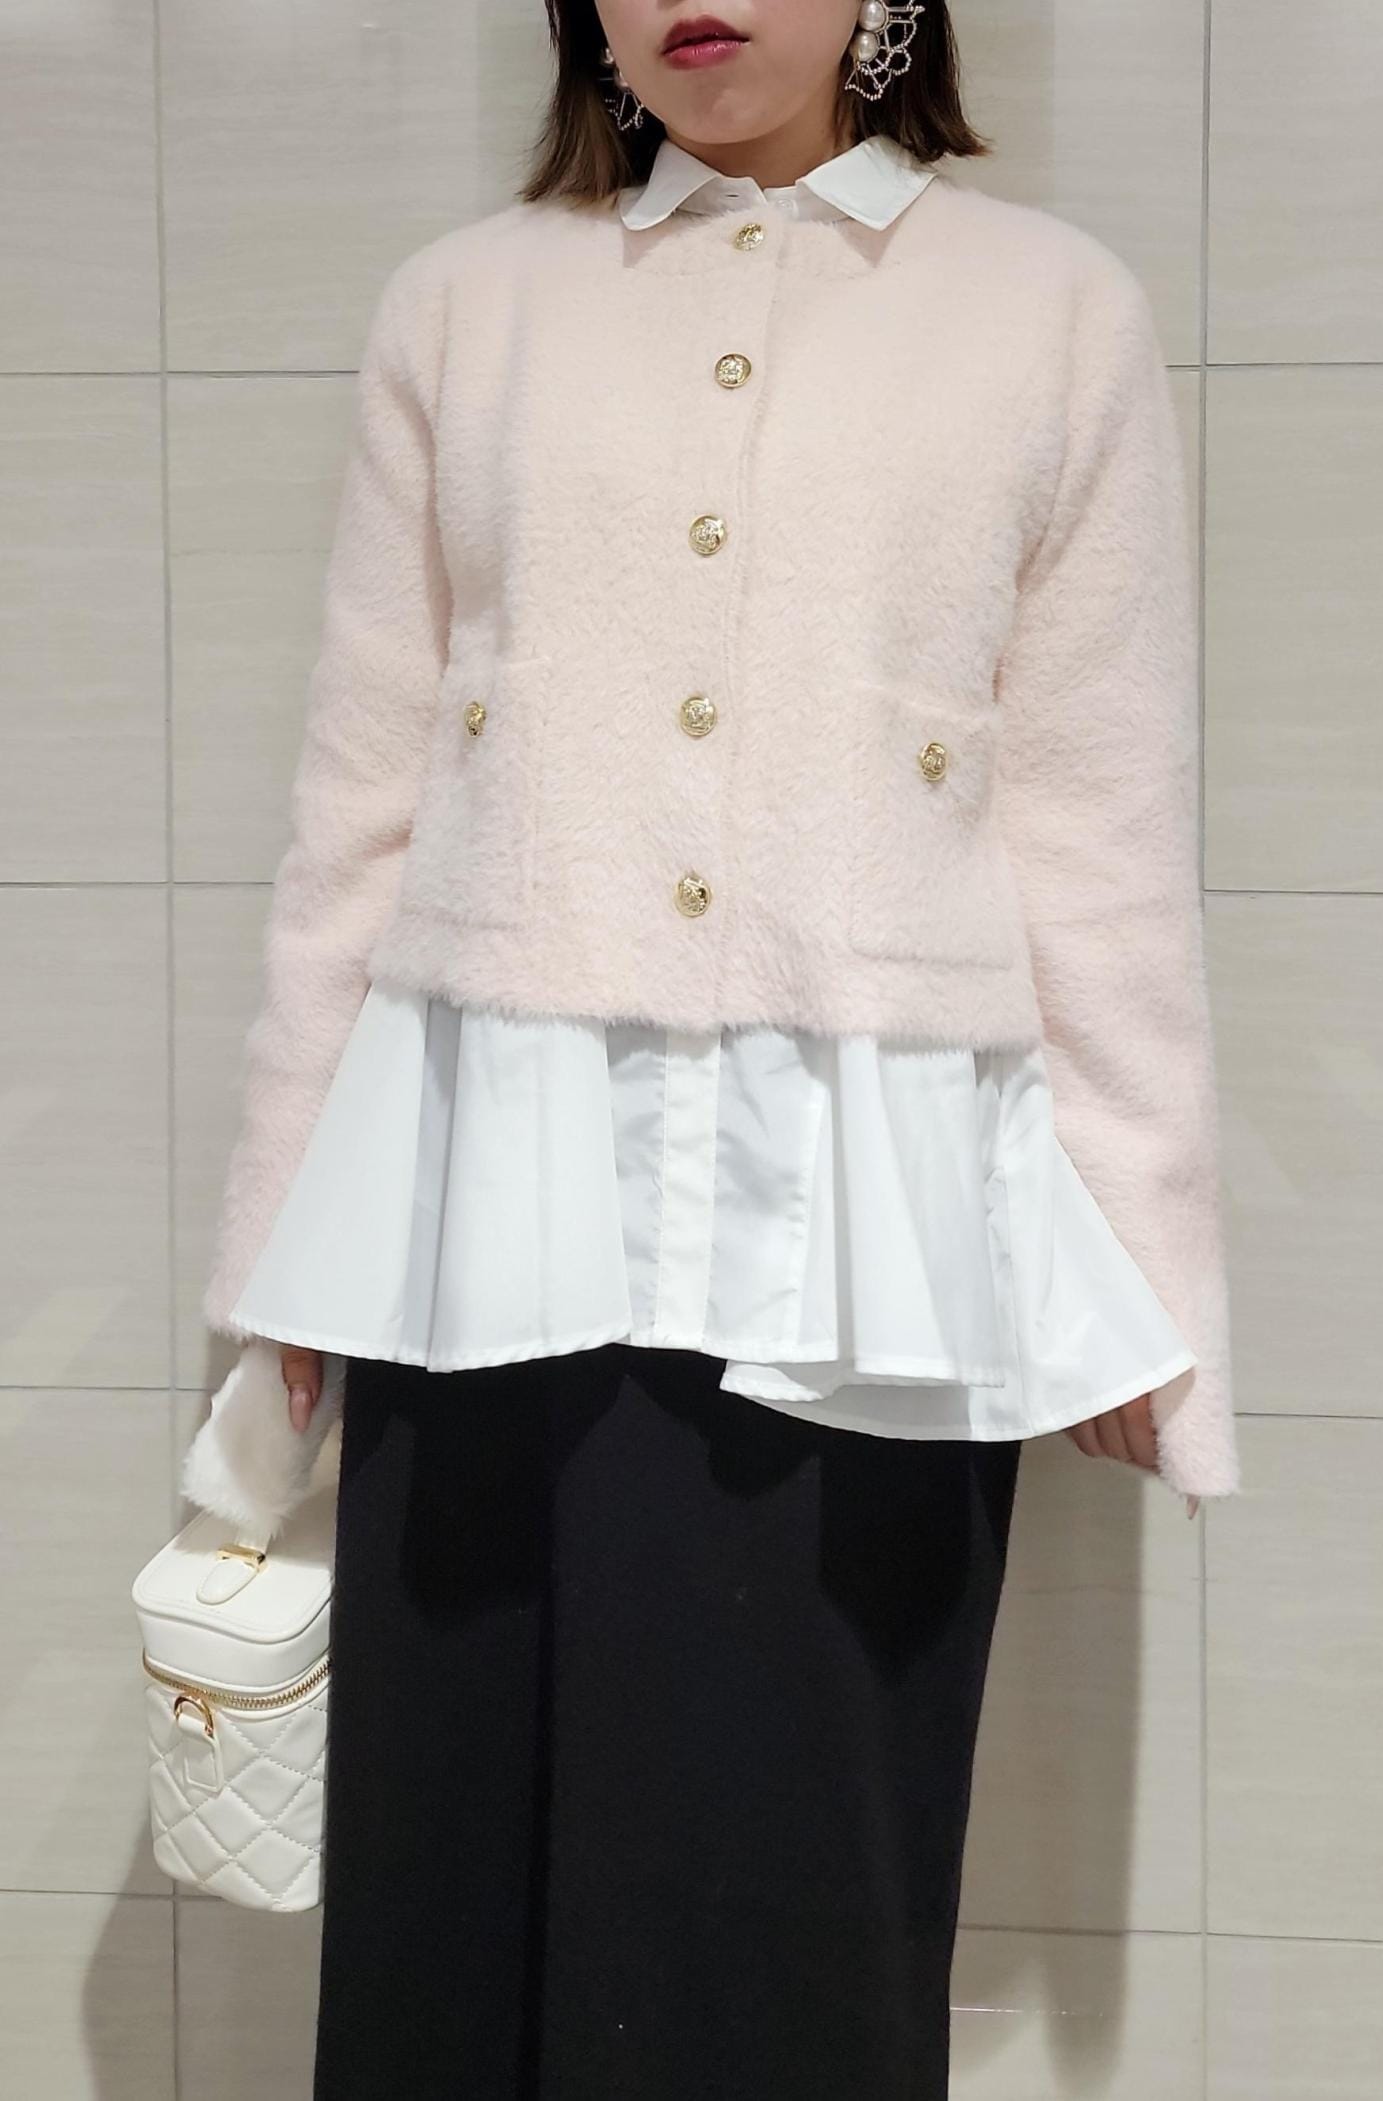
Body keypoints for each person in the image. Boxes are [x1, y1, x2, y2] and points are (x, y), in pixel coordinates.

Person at [197, 3, 1240, 2094]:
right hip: (480, 1207)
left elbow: (1098, 823)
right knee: (453, 1874)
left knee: (802, 1874)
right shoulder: (464, 309)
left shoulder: (1051, 314)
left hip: (861, 1229)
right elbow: (357, 815)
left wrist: (1147, 1271)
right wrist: (282, 1251)